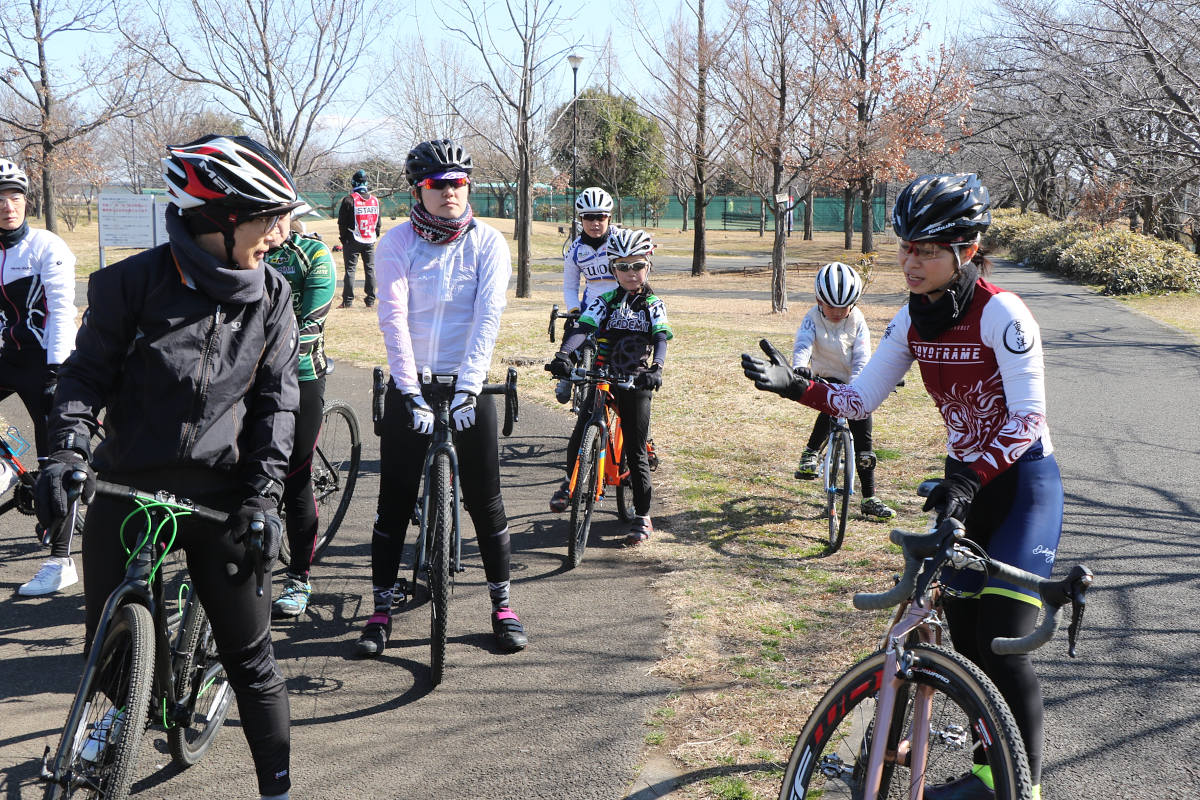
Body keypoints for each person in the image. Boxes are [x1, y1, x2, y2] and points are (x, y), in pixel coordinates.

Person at [743, 173, 1061, 800]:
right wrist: (796, 386)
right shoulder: (911, 322)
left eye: (928, 249)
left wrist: (967, 482)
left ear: (967, 250)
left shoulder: (1002, 313)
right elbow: (859, 398)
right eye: (906, 247)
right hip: (965, 482)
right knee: (964, 639)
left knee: (999, 637)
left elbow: (1027, 419)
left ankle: (1019, 789)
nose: (911, 261)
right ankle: (985, 771)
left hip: (1021, 483)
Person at [36, 134, 301, 800]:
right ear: (218, 218)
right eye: (268, 218)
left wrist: (264, 497)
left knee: (252, 662)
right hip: (129, 484)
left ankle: (278, 787)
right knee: (110, 654)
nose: (278, 233)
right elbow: (85, 374)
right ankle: (116, 720)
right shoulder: (131, 282)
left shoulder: (272, 298)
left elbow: (277, 405)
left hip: (223, 500)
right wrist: (68, 447)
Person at [359, 138, 526, 657]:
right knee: (392, 503)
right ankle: (382, 604)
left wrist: (470, 386)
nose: (451, 191)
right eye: (438, 184)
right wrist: (409, 391)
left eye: (459, 182)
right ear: (419, 189)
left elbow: (487, 319)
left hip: (467, 383)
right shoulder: (396, 244)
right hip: (415, 382)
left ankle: (501, 604)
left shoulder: (488, 243)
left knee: (486, 501)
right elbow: (393, 320)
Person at [546, 227, 672, 545]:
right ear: (613, 269)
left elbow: (660, 337)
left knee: (636, 449)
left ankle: (643, 517)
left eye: (638, 265)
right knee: (584, 422)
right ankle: (569, 482)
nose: (631, 273)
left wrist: (656, 368)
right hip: (603, 376)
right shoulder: (605, 301)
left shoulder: (653, 304)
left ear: (649, 266)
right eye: (623, 266)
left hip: (636, 379)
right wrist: (564, 354)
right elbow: (583, 327)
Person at [0, 158, 80, 596]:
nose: (8, 206)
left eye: (15, 197)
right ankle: (9, 459)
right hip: (6, 354)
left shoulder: (47, 246)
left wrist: (57, 368)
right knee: (23, 446)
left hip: (46, 358)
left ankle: (60, 561)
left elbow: (62, 309)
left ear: (26, 201)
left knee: (56, 463)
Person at [265, 204, 336, 618]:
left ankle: (299, 577)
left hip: (303, 373)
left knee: (295, 477)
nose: (271, 227)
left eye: (279, 218)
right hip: (248, 377)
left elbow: (311, 319)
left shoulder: (311, 254)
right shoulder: (242, 254)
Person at [792, 261, 895, 521]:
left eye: (844, 306)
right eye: (830, 306)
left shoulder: (857, 320)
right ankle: (811, 453)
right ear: (818, 300)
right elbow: (803, 343)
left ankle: (869, 497)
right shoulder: (812, 317)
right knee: (830, 405)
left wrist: (859, 386)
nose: (837, 312)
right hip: (826, 376)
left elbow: (862, 354)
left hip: (855, 379)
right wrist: (799, 366)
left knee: (864, 443)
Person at [554, 187, 617, 404]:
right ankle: (566, 374)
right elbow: (570, 286)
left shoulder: (620, 240)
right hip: (590, 305)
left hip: (619, 305)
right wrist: (574, 310)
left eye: (600, 217)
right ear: (581, 219)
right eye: (588, 217)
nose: (595, 223)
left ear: (609, 217)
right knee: (571, 329)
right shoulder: (574, 250)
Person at [337, 168, 381, 308]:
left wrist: (343, 239)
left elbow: (342, 222)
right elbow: (378, 223)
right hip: (370, 238)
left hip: (353, 238)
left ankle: (348, 301)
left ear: (353, 183)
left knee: (350, 270)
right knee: (370, 269)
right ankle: (371, 300)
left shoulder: (349, 200)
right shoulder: (375, 200)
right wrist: (375, 235)